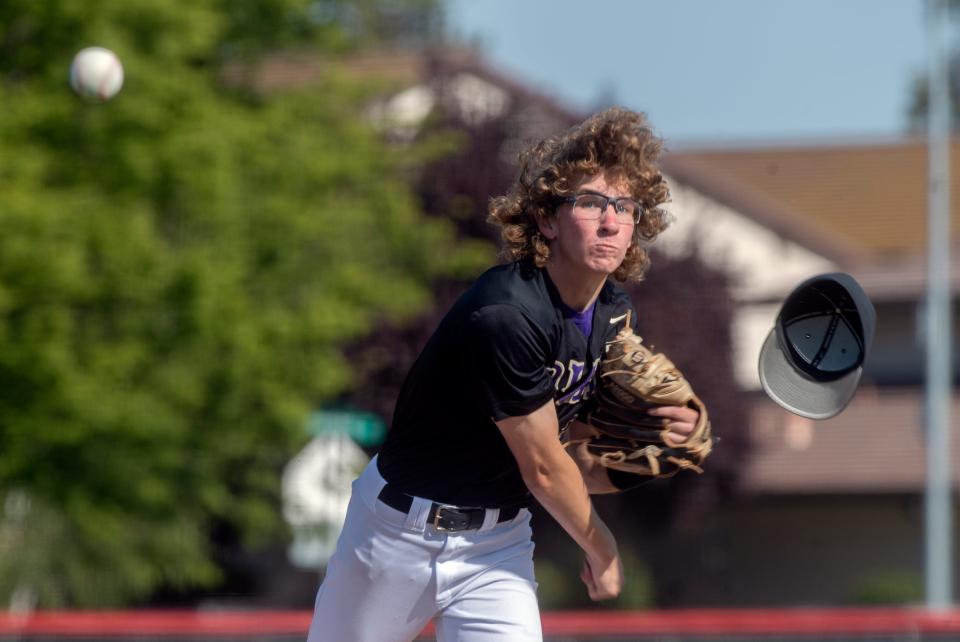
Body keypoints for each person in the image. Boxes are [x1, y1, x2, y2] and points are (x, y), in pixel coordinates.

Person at [305, 107, 700, 642]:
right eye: (589, 202)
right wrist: (602, 547)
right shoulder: (507, 312)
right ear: (545, 219)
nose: (610, 220)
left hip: (497, 547)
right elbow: (541, 467)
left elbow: (570, 463)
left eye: (624, 206)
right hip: (396, 535)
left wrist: (648, 457)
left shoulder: (610, 312)